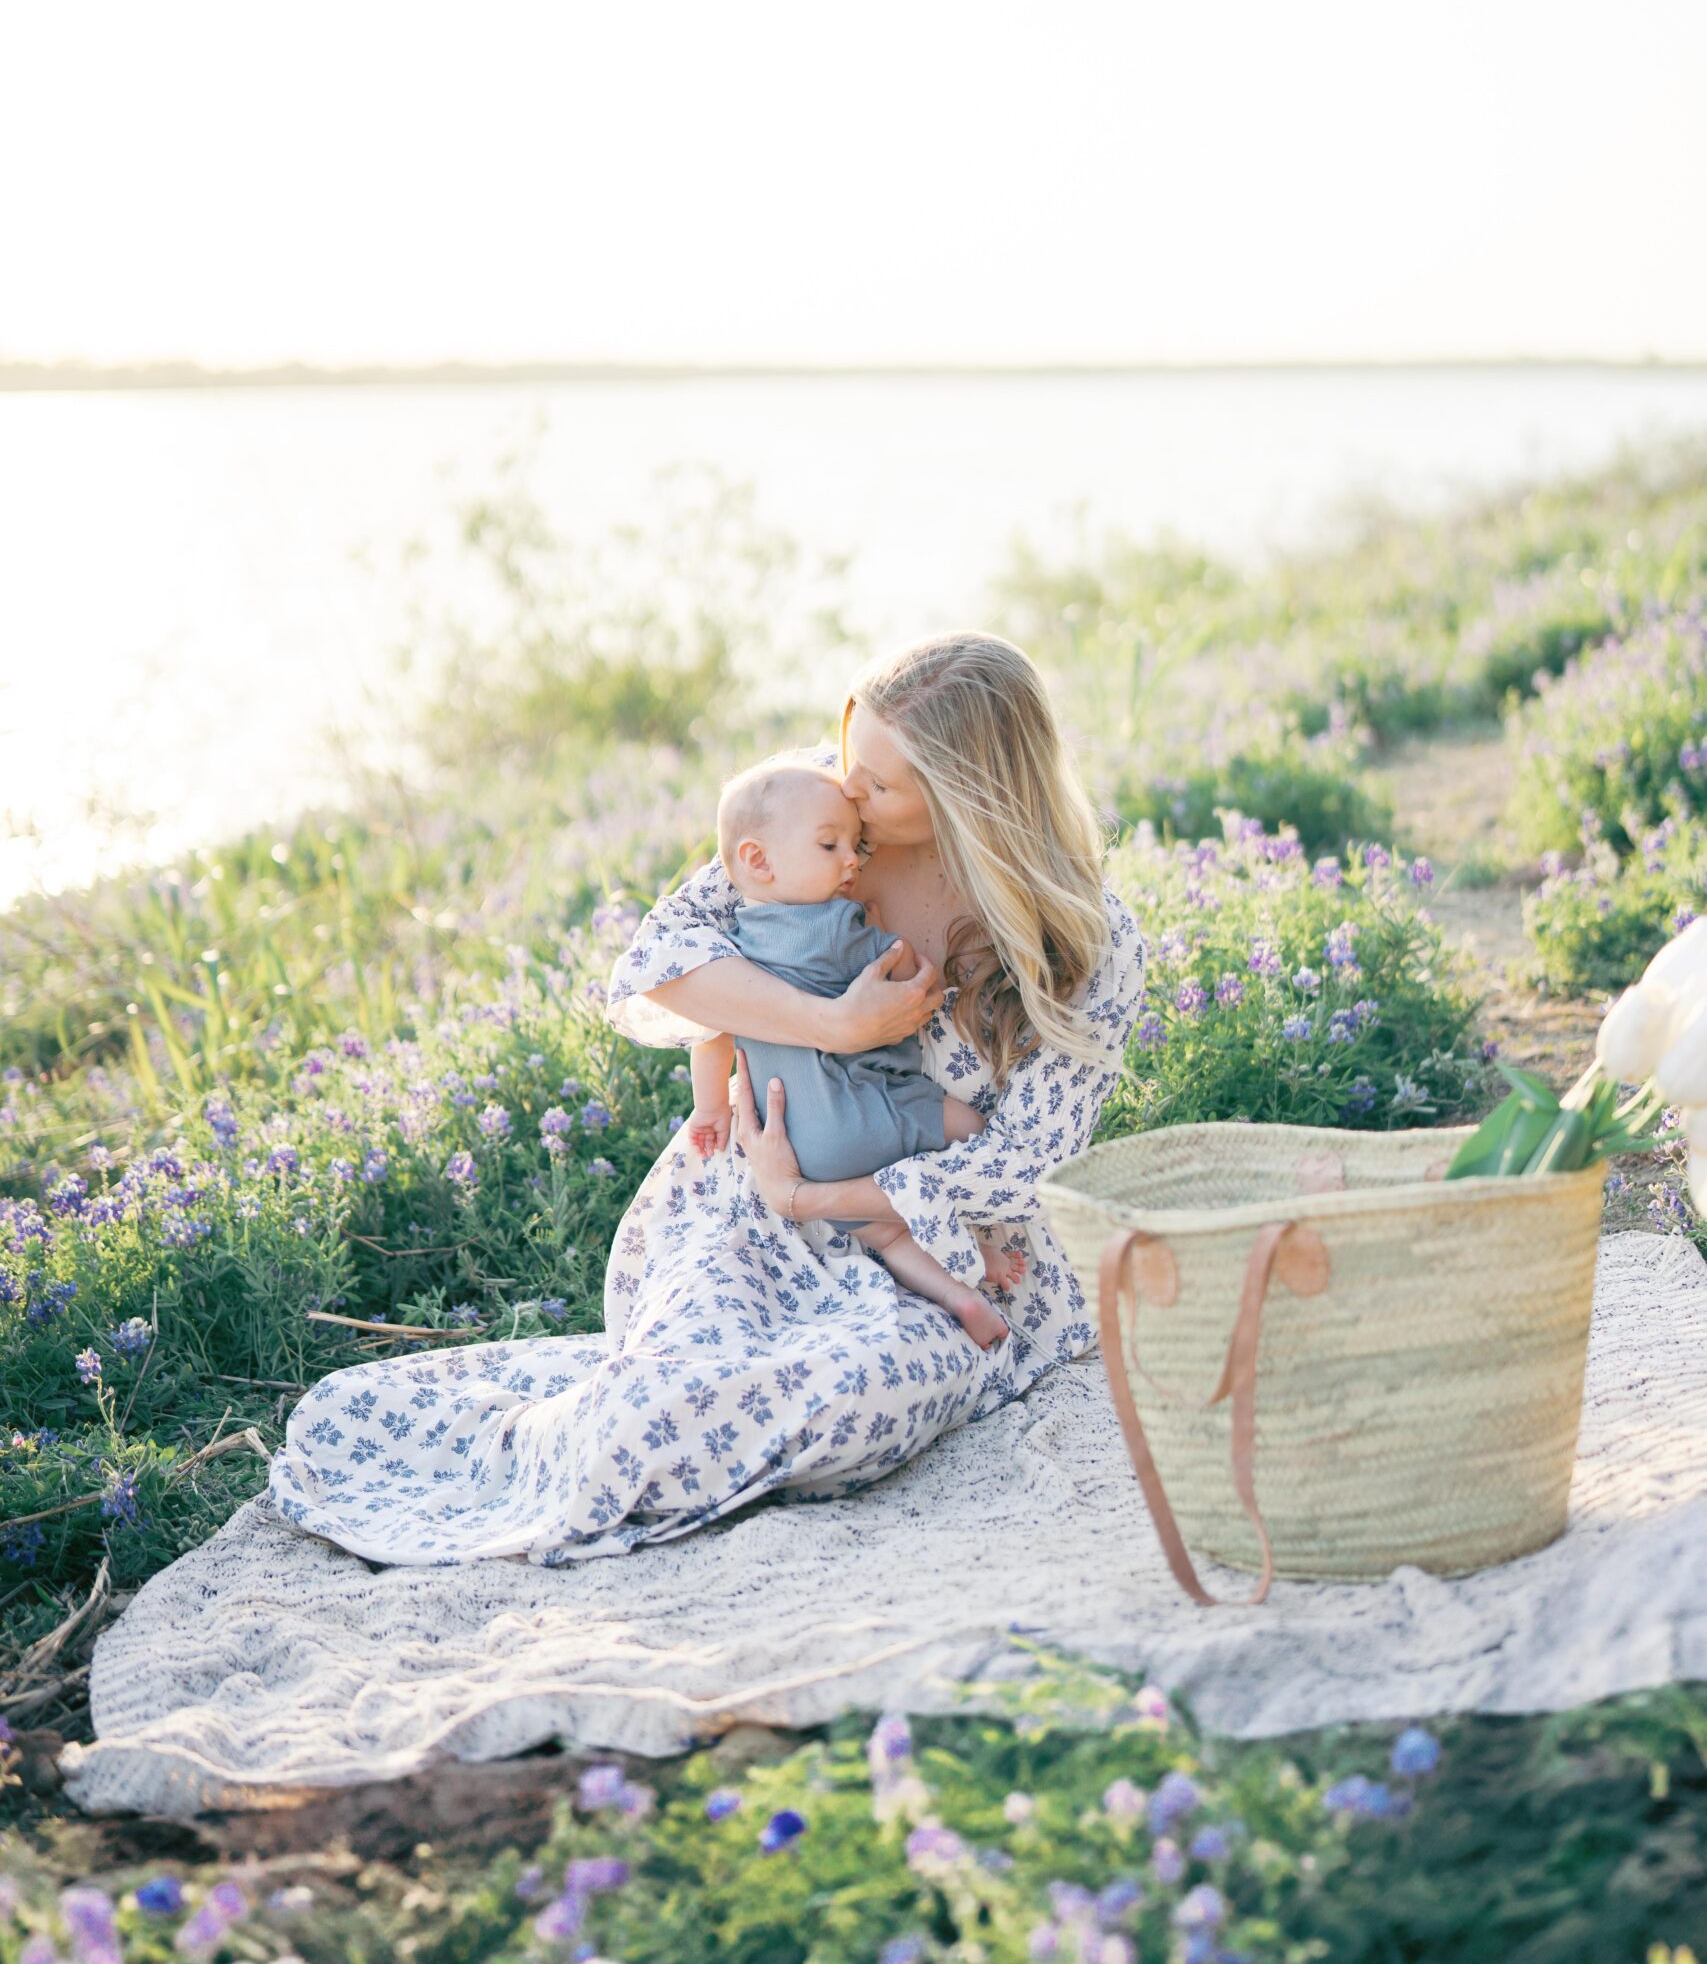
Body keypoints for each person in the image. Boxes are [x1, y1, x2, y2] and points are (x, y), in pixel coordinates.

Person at [266, 630, 1147, 1567]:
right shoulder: (814, 814)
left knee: (849, 1402)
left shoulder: (1086, 938)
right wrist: (837, 1028)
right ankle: (575, 1435)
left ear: (971, 799)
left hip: (942, 1250)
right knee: (653, 1403)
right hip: (747, 1211)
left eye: (881, 787)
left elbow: (1027, 1167)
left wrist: (812, 1197)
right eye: (852, 762)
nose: (851, 793)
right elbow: (663, 964)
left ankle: (655, 1432)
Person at [689, 751, 1016, 1347]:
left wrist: (711, 1109)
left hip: (805, 1149)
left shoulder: (727, 950)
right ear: (758, 861)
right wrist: (887, 934)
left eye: (853, 845)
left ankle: (959, 1296)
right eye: (829, 846)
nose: (850, 860)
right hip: (868, 1111)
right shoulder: (836, 927)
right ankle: (985, 1246)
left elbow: (711, 1035)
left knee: (890, 1238)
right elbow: (910, 975)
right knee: (968, 1128)